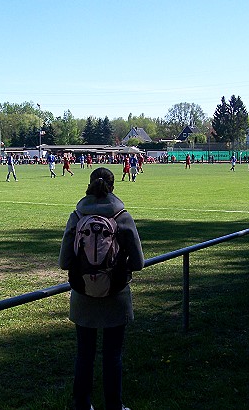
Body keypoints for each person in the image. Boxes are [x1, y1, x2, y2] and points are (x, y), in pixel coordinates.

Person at [59, 167, 144, 410]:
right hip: (115, 295)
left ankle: (82, 404)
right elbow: (138, 262)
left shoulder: (77, 216)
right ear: (113, 186)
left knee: (84, 354)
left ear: (89, 184)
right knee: (112, 355)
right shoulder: (122, 216)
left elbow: (64, 261)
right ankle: (114, 405)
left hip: (83, 293)